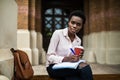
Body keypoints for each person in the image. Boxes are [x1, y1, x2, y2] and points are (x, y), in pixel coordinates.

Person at [46, 10, 93, 80]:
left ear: (82, 26)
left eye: (78, 24)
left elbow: (73, 57)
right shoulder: (58, 34)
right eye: (72, 23)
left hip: (70, 67)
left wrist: (78, 57)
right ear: (68, 22)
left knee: (74, 78)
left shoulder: (78, 40)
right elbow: (49, 57)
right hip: (54, 67)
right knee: (85, 67)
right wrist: (65, 59)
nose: (74, 26)